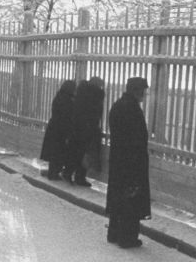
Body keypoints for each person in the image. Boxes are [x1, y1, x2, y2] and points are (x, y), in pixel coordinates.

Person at [106, 76, 151, 249]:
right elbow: (136, 138)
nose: (144, 94)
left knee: (118, 197)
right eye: (143, 91)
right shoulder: (131, 109)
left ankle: (114, 232)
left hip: (119, 159)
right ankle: (127, 237)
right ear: (136, 90)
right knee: (130, 201)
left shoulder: (118, 105)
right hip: (131, 161)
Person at [62, 76, 105, 187]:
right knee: (84, 153)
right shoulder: (95, 96)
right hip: (88, 129)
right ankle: (79, 177)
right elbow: (95, 115)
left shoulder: (81, 93)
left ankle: (68, 173)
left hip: (78, 128)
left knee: (75, 152)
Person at [40, 79, 76, 180]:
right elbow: (67, 116)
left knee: (55, 152)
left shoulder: (59, 96)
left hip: (54, 128)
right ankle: (54, 173)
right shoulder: (68, 100)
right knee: (59, 152)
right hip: (61, 129)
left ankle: (53, 172)